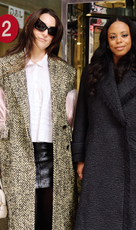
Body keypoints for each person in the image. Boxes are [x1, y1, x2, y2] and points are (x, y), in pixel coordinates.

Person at [71, 16, 136, 230]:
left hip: (134, 159)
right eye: (112, 37)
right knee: (93, 215)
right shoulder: (91, 72)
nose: (119, 41)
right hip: (98, 157)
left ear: (132, 38)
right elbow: (82, 118)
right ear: (106, 40)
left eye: (124, 35)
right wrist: (79, 157)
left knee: (128, 218)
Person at [0, 8, 77, 230]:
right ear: (30, 26)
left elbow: (70, 120)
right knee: (23, 222)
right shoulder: (5, 67)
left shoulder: (65, 71)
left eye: (51, 30)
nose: (45, 33)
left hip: (56, 156)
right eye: (40, 26)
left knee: (52, 221)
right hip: (17, 153)